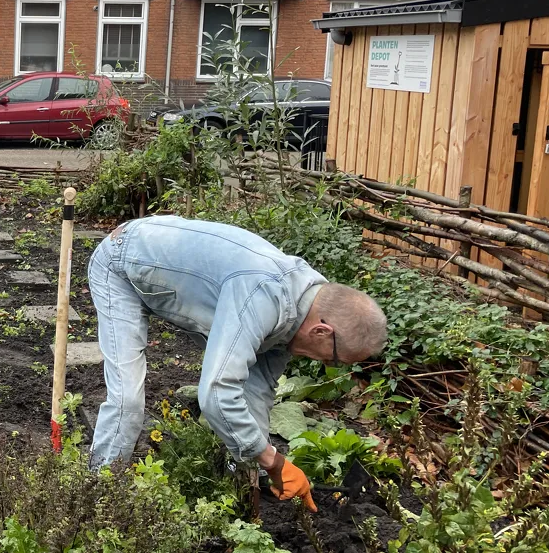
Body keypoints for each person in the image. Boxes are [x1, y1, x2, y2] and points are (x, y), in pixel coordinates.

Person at [88, 215, 387, 512]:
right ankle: (95, 496)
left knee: (246, 425)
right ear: (322, 331)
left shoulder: (304, 308)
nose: (325, 364)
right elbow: (217, 393)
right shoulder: (264, 296)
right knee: (128, 400)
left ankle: (241, 485)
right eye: (332, 358)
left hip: (164, 270)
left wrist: (257, 470)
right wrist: (273, 460)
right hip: (123, 259)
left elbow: (256, 390)